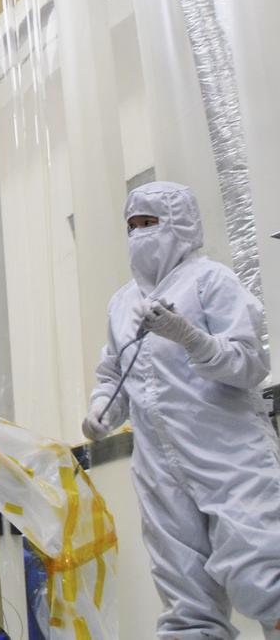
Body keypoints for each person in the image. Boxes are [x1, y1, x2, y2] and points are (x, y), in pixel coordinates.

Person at [83, 182, 280, 639]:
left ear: (180, 224)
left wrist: (189, 336)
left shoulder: (212, 281)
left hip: (228, 453)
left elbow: (250, 365)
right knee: (185, 593)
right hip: (159, 467)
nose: (139, 234)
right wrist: (101, 412)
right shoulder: (122, 303)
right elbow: (113, 373)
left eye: (150, 223)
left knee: (264, 569)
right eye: (132, 226)